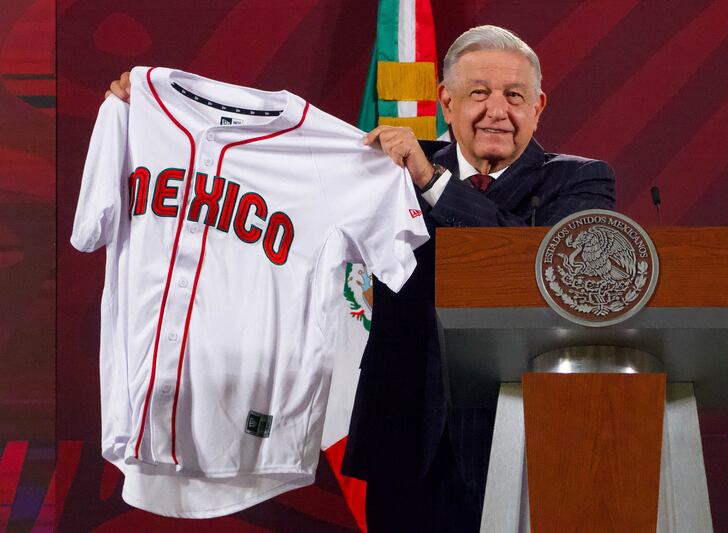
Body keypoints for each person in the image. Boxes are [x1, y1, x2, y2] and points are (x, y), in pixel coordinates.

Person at [106, 25, 615, 532]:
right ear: (446, 101)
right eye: (478, 93)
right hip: (403, 438)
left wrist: (432, 184)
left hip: (522, 440)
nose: (496, 110)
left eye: (514, 95)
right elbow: (267, 142)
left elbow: (547, 267)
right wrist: (153, 101)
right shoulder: (380, 165)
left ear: (539, 105)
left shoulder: (580, 180)